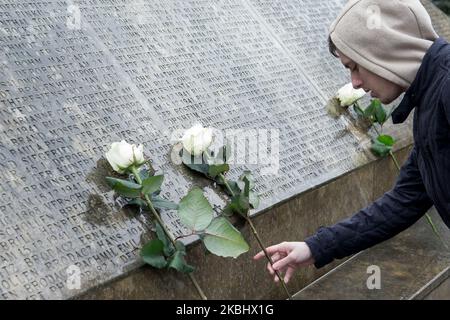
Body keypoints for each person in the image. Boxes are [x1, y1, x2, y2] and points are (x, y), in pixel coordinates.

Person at [254, 0, 450, 284]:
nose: (355, 82)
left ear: (384, 50)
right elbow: (404, 200)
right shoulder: (430, 98)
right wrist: (315, 247)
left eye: (355, 66)